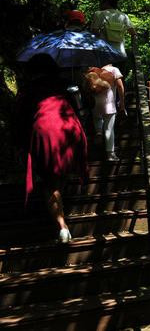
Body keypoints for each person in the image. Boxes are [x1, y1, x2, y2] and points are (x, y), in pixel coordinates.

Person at [15, 54, 88, 243]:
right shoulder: (64, 85)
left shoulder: (28, 90)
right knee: (59, 175)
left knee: (50, 182)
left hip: (46, 130)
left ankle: (62, 228)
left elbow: (21, 119)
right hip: (70, 127)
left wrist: (22, 146)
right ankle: (60, 203)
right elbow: (80, 107)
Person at [89, 64, 125, 161]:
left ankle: (99, 132)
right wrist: (122, 104)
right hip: (109, 104)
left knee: (98, 119)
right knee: (109, 129)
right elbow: (120, 86)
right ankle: (110, 154)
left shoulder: (92, 70)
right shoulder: (114, 69)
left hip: (95, 104)